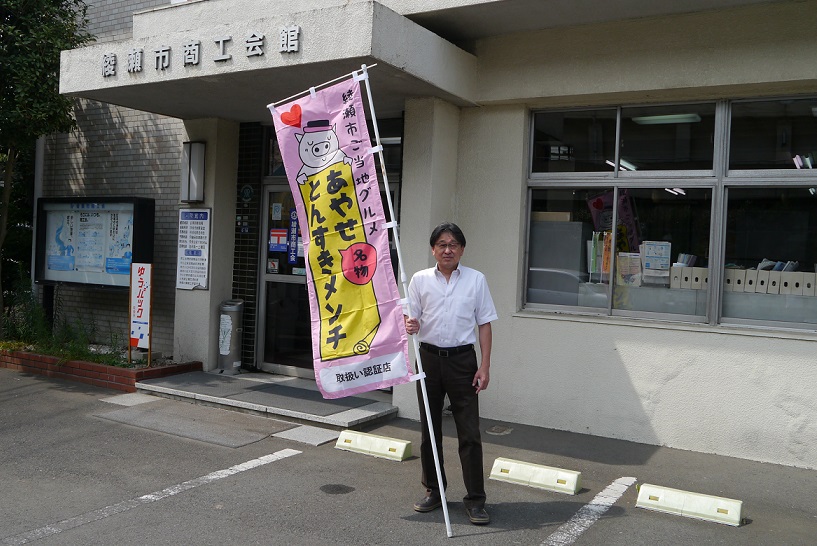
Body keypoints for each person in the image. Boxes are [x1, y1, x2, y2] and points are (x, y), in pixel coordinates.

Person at [404, 222, 498, 526]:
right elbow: (412, 318)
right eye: (442, 244)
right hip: (428, 360)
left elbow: (484, 323)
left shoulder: (476, 280)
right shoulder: (419, 280)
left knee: (469, 433)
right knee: (429, 432)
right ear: (433, 249)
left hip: (462, 363)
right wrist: (410, 325)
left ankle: (475, 500)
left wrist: (484, 366)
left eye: (454, 244)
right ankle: (434, 490)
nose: (448, 249)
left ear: (462, 249)